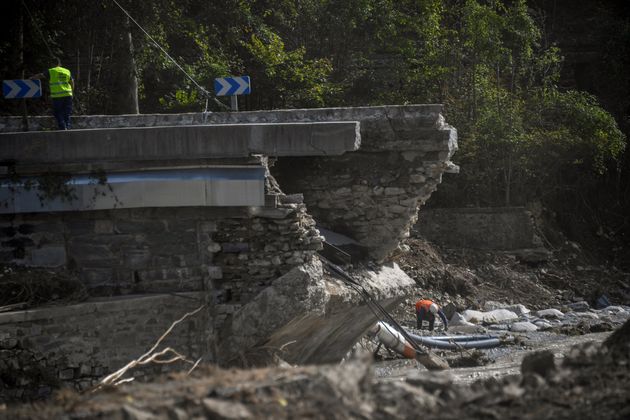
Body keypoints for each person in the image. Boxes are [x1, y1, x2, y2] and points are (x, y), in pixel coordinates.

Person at [30, 57, 74, 130]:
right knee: (67, 112)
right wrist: (72, 92)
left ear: (52, 64)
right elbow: (72, 81)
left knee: (57, 112)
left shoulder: (51, 71)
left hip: (57, 96)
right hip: (68, 94)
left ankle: (63, 126)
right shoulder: (67, 71)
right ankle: (67, 128)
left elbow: (41, 75)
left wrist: (32, 78)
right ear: (59, 63)